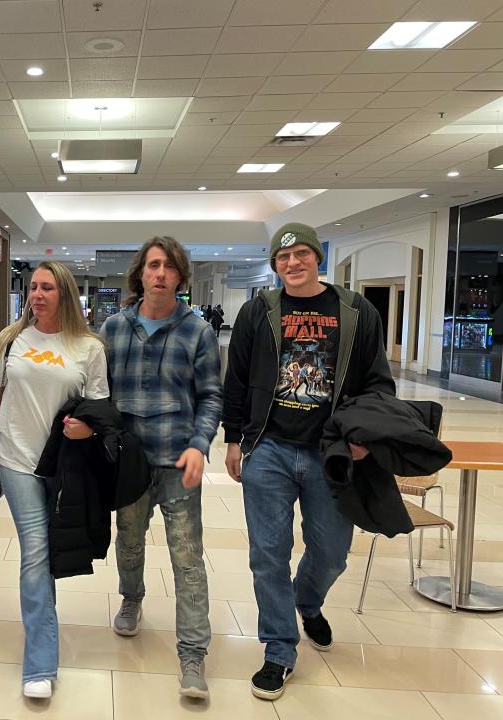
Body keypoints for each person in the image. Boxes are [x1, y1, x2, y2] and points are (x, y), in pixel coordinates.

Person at [222, 223, 394, 701]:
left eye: (301, 254)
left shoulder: (356, 312)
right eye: (283, 258)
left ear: (317, 257)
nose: (292, 263)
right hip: (269, 448)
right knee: (267, 555)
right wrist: (234, 440)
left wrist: (361, 439)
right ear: (275, 265)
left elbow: (378, 383)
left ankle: (308, 600)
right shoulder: (259, 311)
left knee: (333, 551)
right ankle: (279, 649)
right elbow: (234, 381)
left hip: (331, 453)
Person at [0, 261, 108, 700]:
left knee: (46, 552)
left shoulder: (88, 347)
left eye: (47, 288)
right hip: (16, 462)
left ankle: (41, 635)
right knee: (35, 550)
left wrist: (87, 429)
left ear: (64, 294)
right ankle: (41, 663)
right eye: (33, 287)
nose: (37, 295)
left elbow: (100, 411)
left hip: (65, 466)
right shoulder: (11, 340)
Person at [101, 236, 222, 701]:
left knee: (188, 557)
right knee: (128, 542)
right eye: (152, 265)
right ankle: (132, 596)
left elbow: (211, 395)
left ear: (180, 277)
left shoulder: (197, 332)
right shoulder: (114, 328)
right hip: (130, 461)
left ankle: (192, 654)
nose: (160, 274)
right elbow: (101, 392)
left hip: (178, 462)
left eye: (169, 267)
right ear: (140, 274)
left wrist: (199, 444)